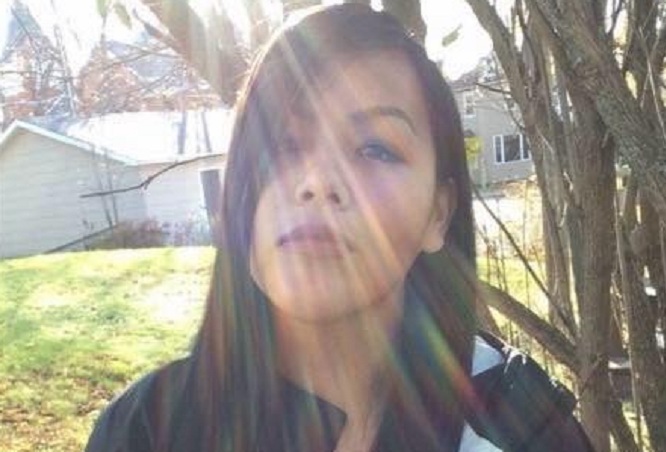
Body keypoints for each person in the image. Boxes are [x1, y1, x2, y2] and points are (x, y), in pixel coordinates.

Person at [85, 4, 594, 451]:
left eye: (375, 149)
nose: (318, 182)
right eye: (282, 144)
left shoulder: (524, 430)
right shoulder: (145, 431)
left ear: (438, 214)